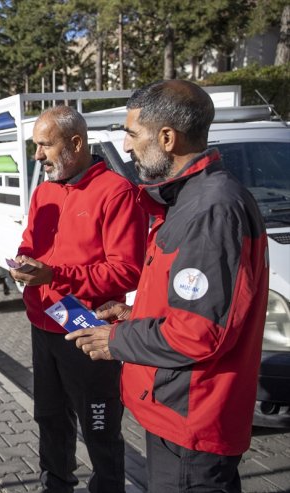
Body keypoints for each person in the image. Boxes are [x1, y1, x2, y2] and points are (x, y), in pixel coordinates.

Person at [66, 80, 269, 493]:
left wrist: (116, 340)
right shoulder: (189, 199)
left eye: (132, 134)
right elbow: (190, 306)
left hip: (191, 423)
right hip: (178, 414)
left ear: (166, 137)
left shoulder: (210, 208)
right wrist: (133, 315)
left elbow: (199, 332)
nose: (126, 146)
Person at [9, 105, 148, 493]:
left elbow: (126, 270)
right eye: (35, 146)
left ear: (75, 143)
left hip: (88, 332)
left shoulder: (118, 193)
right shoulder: (44, 192)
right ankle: (56, 485)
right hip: (43, 325)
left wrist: (55, 275)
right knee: (51, 419)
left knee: (99, 426)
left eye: (44, 146)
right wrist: (22, 265)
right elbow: (29, 245)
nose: (37, 156)